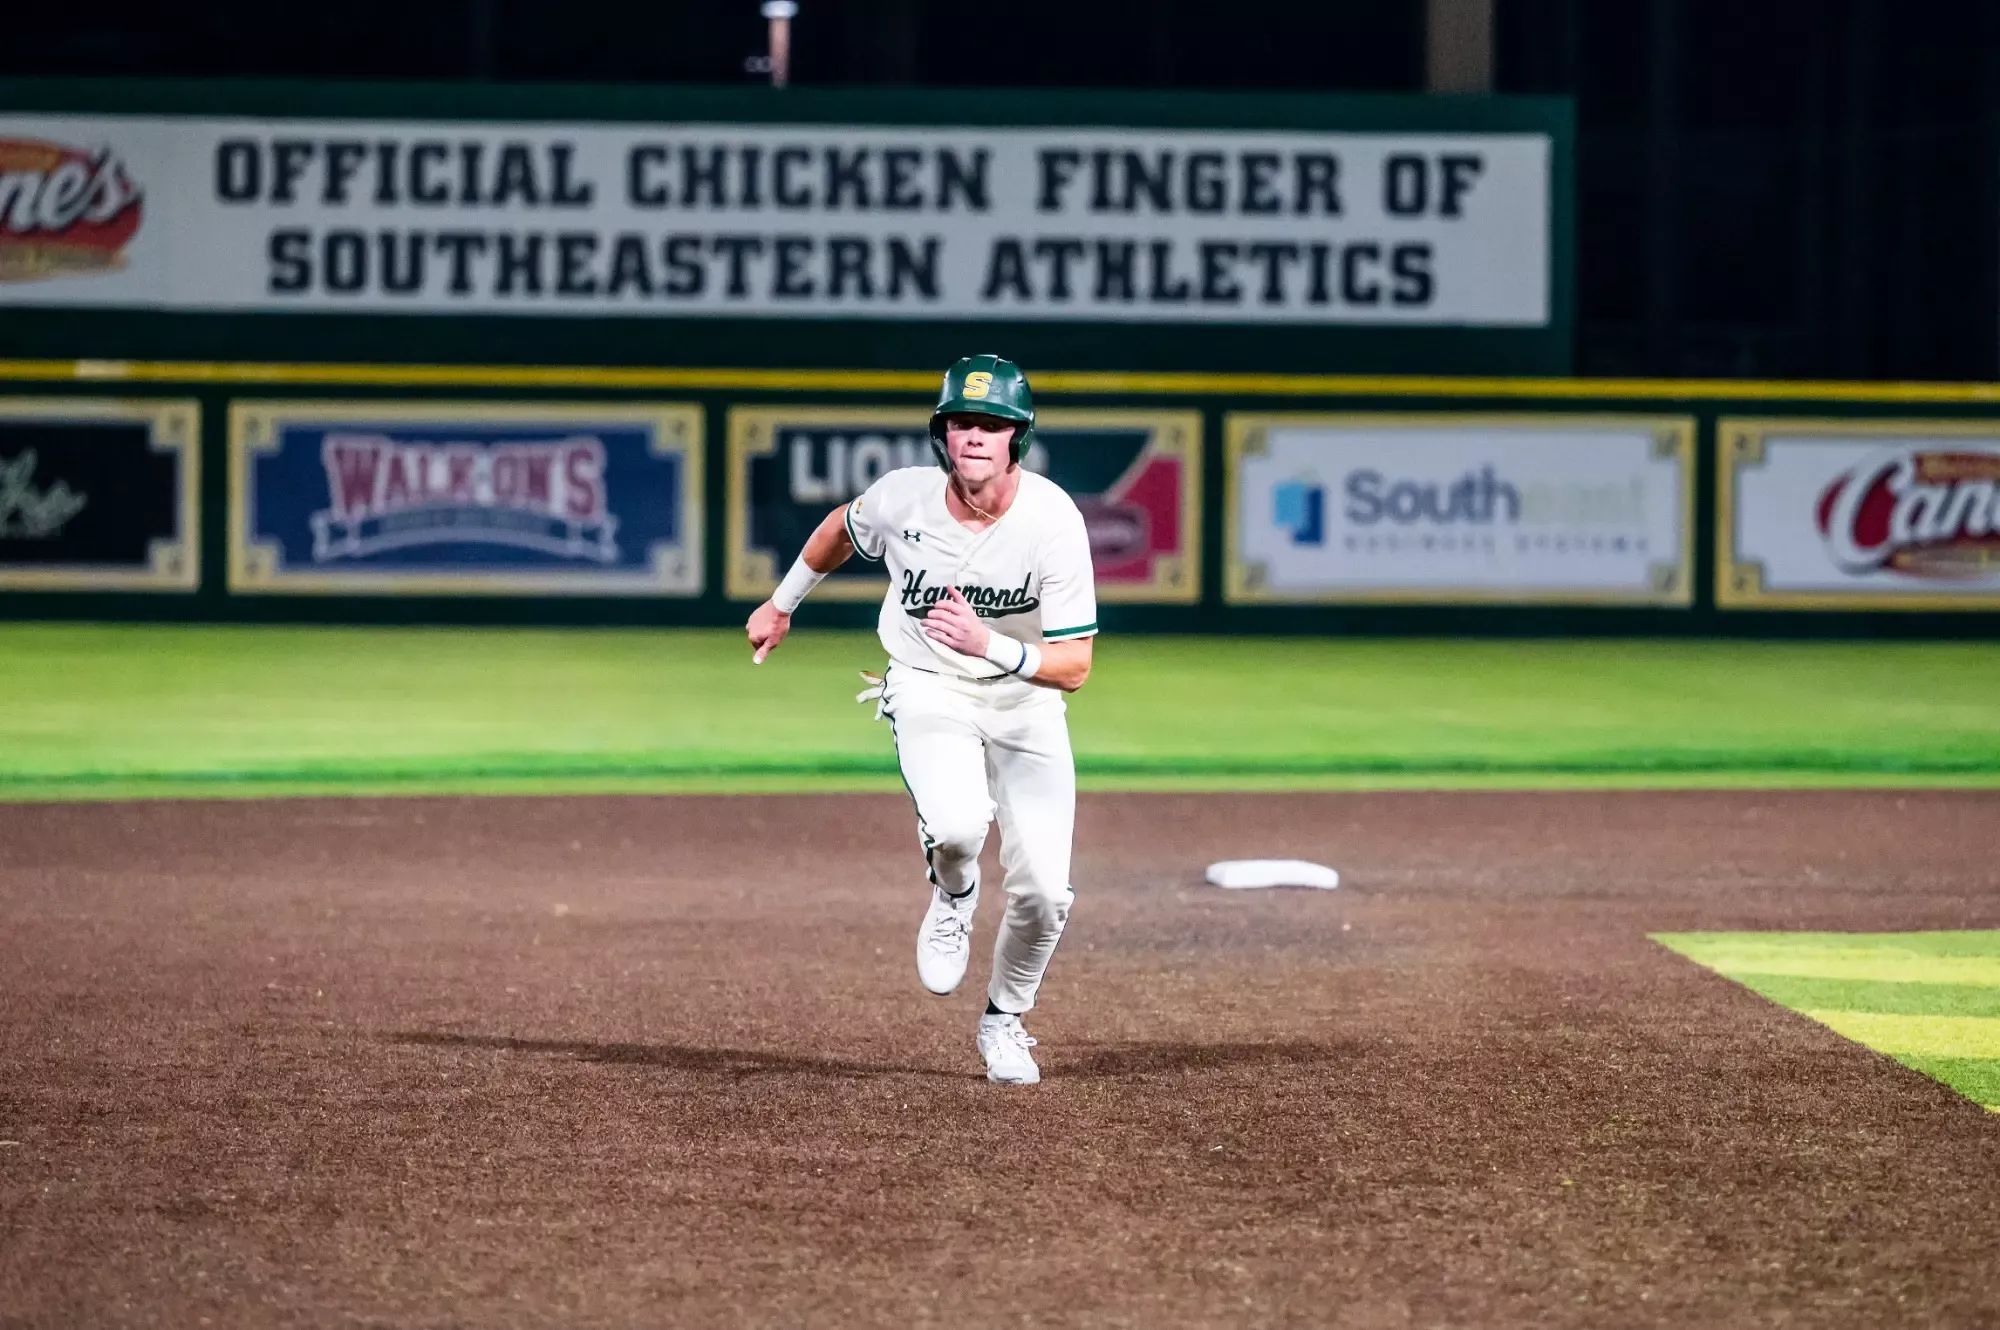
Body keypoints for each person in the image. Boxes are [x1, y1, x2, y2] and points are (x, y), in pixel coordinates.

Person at [745, 354, 1097, 1085]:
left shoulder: (1052, 520)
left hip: (1025, 699)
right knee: (962, 827)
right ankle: (955, 889)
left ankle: (1004, 1021)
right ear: (943, 434)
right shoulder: (903, 499)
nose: (975, 436)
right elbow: (840, 530)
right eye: (962, 422)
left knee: (1045, 894)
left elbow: (1073, 667)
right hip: (929, 683)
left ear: (1016, 438)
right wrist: (782, 604)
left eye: (992, 424)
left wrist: (989, 644)